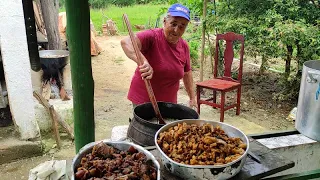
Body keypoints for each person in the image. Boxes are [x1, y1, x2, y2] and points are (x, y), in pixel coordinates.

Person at [121, 3, 196, 108]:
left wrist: (192, 97)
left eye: (182, 26)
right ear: (165, 21)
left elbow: (187, 73)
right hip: (144, 101)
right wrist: (143, 62)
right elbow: (126, 42)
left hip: (169, 103)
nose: (176, 30)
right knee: (147, 125)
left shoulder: (184, 46)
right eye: (173, 24)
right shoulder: (152, 36)